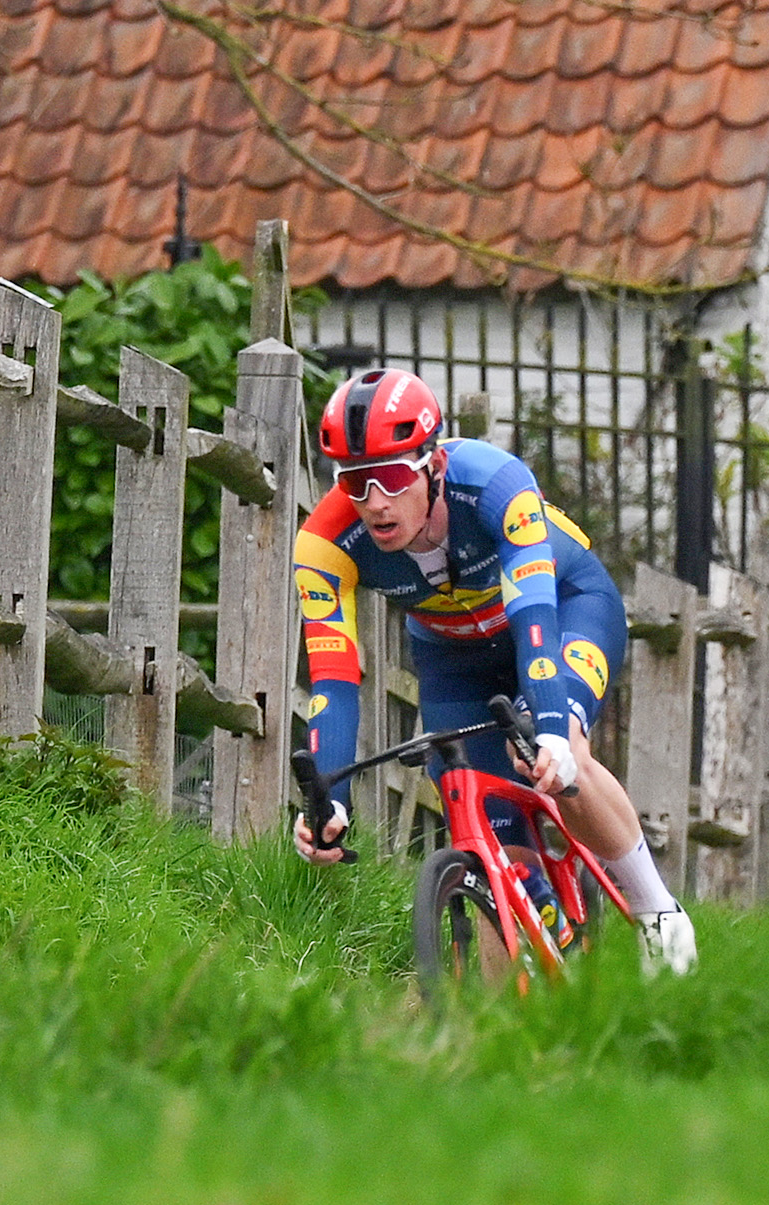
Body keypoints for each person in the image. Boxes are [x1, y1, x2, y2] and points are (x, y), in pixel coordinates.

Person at [292, 368, 697, 976]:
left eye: (393, 477)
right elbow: (334, 681)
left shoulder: (494, 486)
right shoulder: (325, 544)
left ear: (433, 465)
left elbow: (534, 620)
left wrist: (555, 730)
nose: (373, 501)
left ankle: (658, 915)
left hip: (563, 607)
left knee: (560, 752)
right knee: (488, 834)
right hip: (452, 656)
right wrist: (329, 800)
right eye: (354, 481)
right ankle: (536, 967)